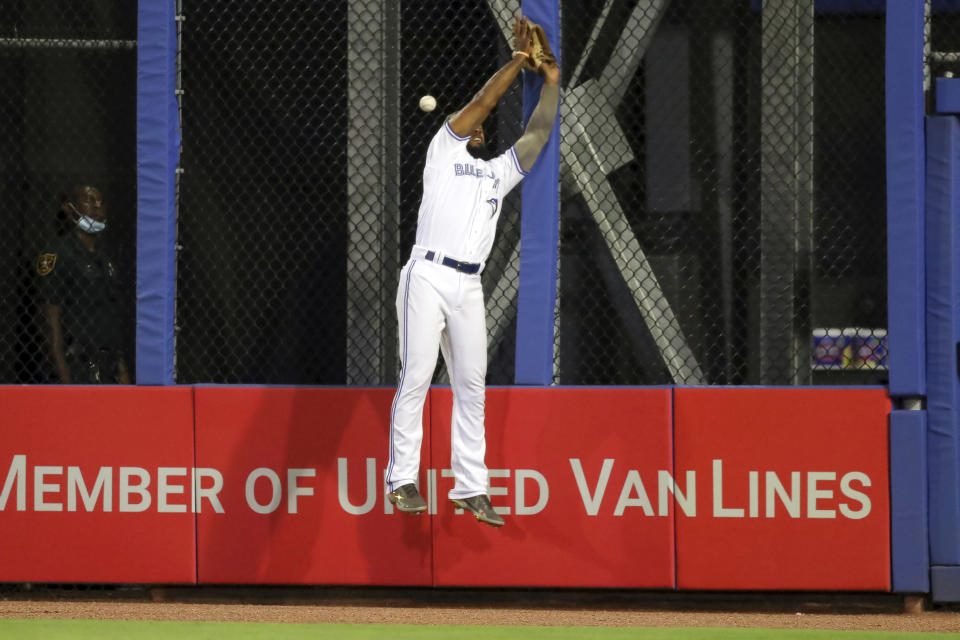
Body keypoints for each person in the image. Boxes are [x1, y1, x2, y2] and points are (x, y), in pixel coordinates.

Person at [386, 16, 560, 527]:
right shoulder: (442, 152)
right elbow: (485, 99)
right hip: (427, 274)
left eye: (479, 120)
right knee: (417, 375)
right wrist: (519, 62)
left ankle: (470, 487)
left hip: (467, 285)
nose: (475, 120)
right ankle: (402, 480)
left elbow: (538, 133)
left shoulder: (495, 173)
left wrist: (548, 83)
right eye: (468, 116)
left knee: (472, 384)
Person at [36, 184, 130, 384]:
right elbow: (50, 322)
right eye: (89, 200)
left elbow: (110, 316)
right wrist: (65, 379)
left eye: (100, 202)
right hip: (76, 363)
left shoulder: (106, 257)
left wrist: (121, 369)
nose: (97, 206)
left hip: (108, 365)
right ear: (71, 208)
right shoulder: (58, 253)